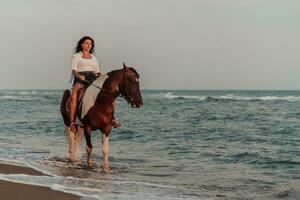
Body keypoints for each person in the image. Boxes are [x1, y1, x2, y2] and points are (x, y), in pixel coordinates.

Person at [69, 36, 120, 133]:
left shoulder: (93, 58)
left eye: (90, 44)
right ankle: (72, 123)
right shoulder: (76, 56)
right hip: (80, 79)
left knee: (110, 94)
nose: (88, 45)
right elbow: (74, 70)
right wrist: (80, 77)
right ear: (82, 44)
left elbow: (97, 72)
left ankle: (112, 119)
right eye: (86, 43)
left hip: (92, 78)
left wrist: (101, 76)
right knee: (74, 95)